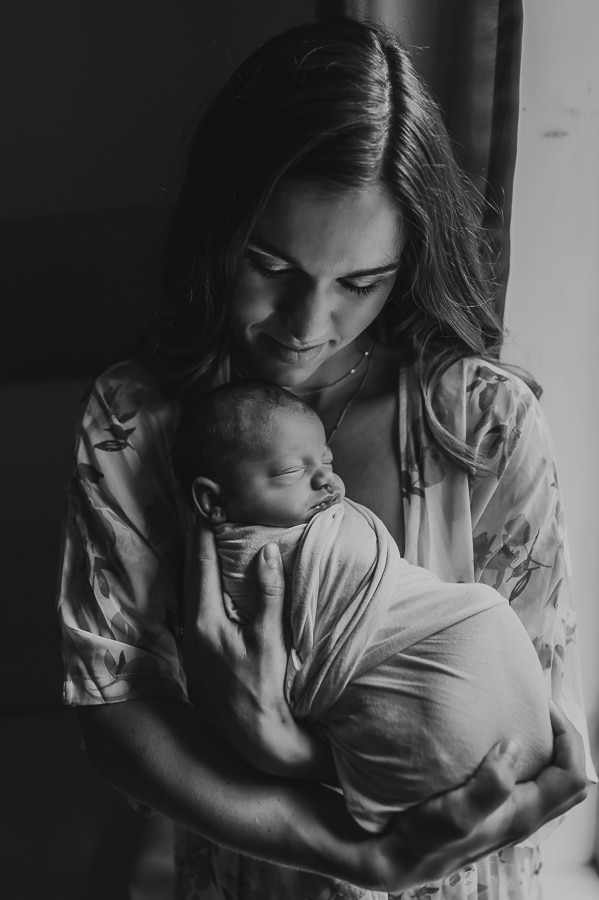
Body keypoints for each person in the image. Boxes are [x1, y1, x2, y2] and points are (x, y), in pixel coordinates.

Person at [56, 17, 592, 900]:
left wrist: (287, 754)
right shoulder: (138, 422)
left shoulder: (479, 424)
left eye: (359, 284)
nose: (307, 328)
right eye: (270, 264)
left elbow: (549, 760)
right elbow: (110, 709)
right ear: (219, 229)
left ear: (409, 261)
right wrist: (342, 849)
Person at [172, 379, 554, 832]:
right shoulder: (248, 555)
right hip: (262, 824)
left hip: (460, 633)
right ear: (213, 501)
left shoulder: (492, 411)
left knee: (483, 610)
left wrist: (287, 749)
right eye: (292, 471)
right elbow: (262, 662)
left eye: (327, 462)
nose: (326, 480)